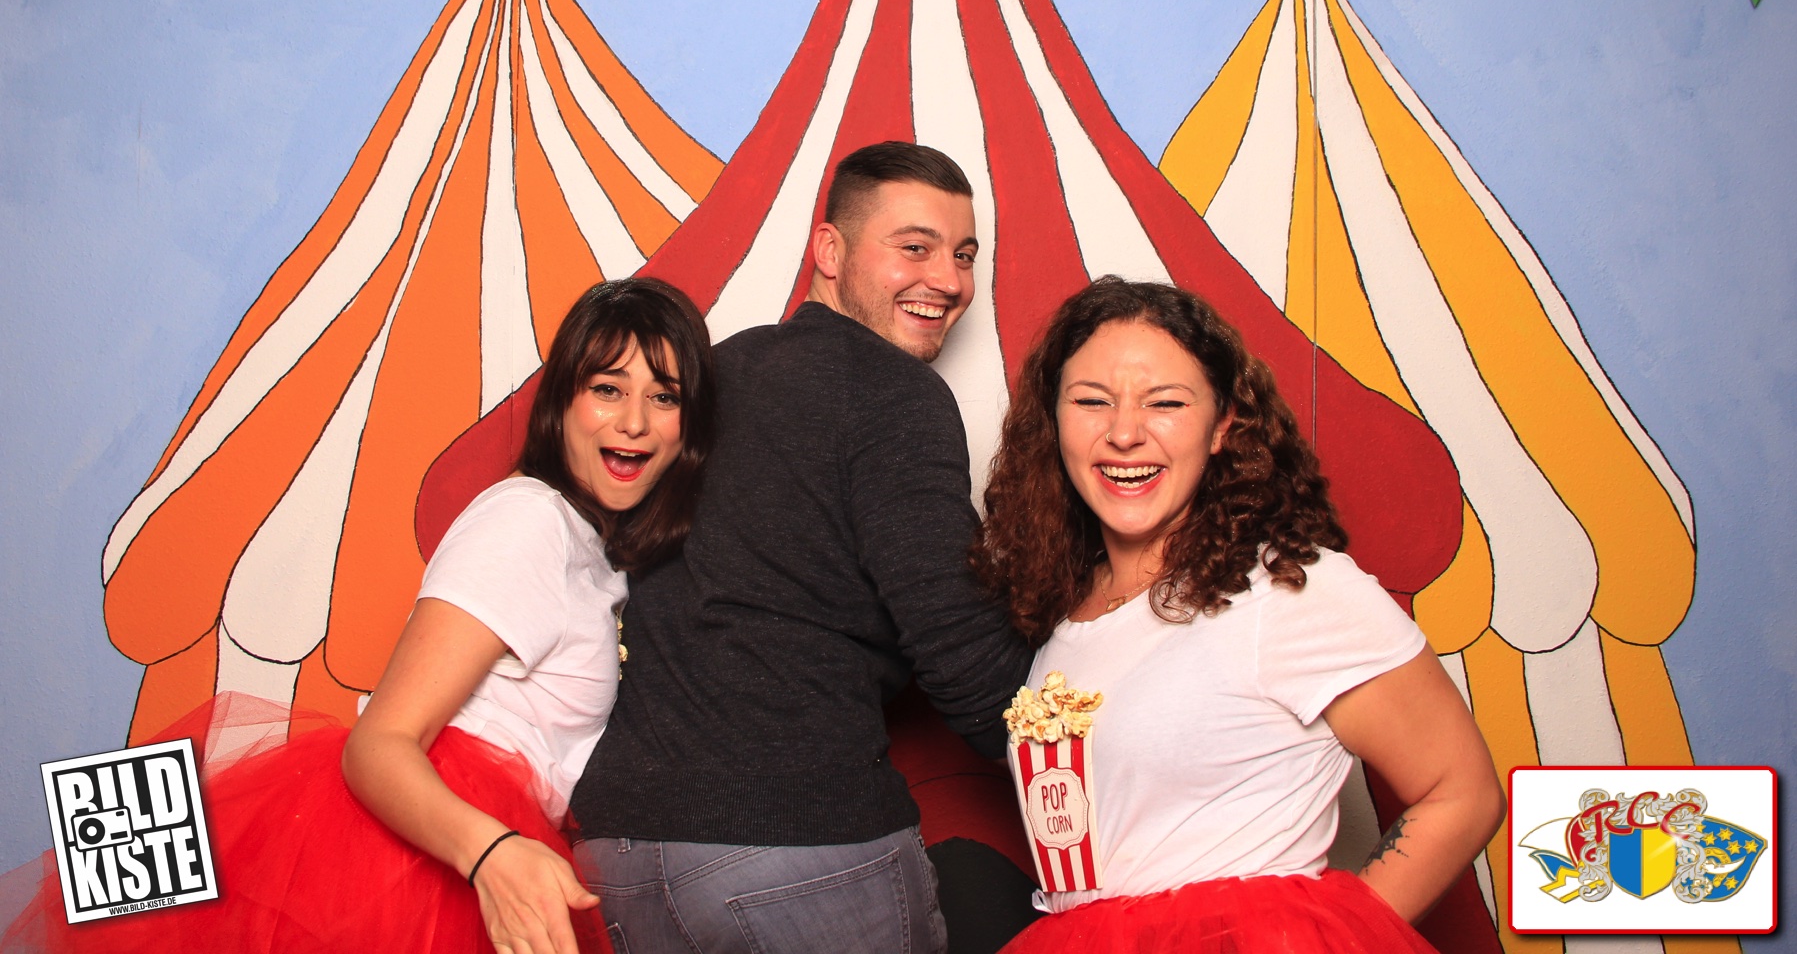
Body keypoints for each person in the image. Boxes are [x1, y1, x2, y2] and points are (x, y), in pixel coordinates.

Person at [2, 278, 715, 954]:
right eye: (607, 388)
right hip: (416, 858)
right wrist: (493, 853)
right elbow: (378, 745)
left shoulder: (594, 551)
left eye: (664, 396)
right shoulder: (529, 521)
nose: (634, 420)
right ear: (562, 403)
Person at [572, 141, 1035, 954]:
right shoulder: (896, 394)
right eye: (915, 247)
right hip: (792, 845)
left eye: (964, 256)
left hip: (621, 858)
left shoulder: (715, 372)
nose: (949, 280)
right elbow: (957, 644)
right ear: (829, 250)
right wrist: (1090, 759)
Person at [974, 277, 1505, 953]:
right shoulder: (1066, 609)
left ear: (1223, 425)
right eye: (1091, 401)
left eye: (1166, 402)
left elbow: (1463, 792)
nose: (1125, 433)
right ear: (1052, 421)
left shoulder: (1289, 589)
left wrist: (1330, 938)